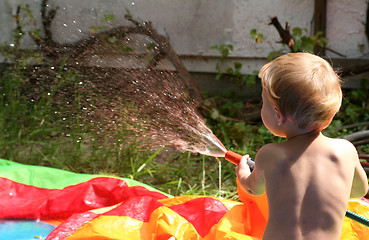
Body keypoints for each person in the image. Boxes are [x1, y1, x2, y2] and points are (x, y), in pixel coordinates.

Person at [236, 52, 368, 240]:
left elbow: (254, 189)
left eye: (262, 102)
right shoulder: (345, 152)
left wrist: (243, 173)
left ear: (278, 114)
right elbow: (359, 191)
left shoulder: (270, 155)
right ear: (330, 115)